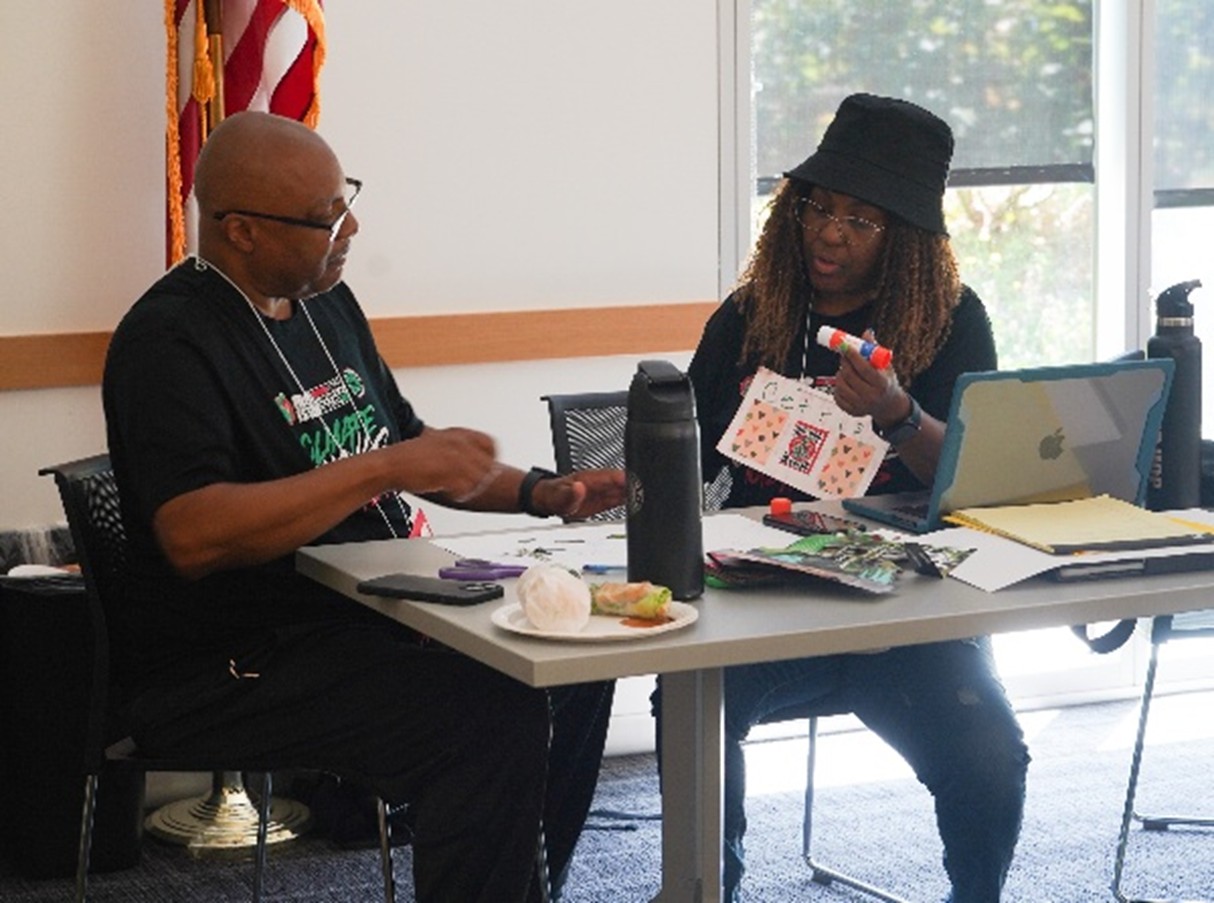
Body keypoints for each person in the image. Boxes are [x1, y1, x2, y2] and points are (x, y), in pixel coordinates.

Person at [102, 111, 626, 903]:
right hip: (231, 661)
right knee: (488, 720)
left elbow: (409, 445)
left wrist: (542, 492)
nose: (351, 227)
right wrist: (383, 466)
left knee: (576, 666)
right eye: (324, 218)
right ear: (240, 230)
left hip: (364, 616)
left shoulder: (323, 303)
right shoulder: (167, 342)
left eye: (346, 199)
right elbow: (193, 534)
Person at [675, 94, 1031, 900]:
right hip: (764, 604)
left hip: (906, 612)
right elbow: (680, 446)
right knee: (689, 712)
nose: (831, 231)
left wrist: (898, 413)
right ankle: (708, 887)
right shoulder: (750, 315)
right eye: (818, 207)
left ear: (904, 239)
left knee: (988, 754)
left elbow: (983, 478)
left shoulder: (950, 320)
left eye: (862, 220)